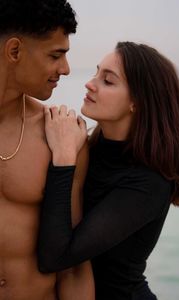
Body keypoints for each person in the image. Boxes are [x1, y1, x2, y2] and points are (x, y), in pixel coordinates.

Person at [37, 41, 179, 300]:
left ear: (137, 102)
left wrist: (65, 158)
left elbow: (55, 257)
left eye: (108, 81)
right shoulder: (91, 147)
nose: (90, 83)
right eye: (96, 73)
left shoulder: (149, 182)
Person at [0, 0, 95, 299]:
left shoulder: (62, 137)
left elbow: (74, 267)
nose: (65, 69)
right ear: (14, 51)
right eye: (56, 55)